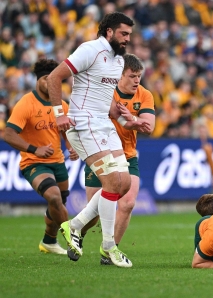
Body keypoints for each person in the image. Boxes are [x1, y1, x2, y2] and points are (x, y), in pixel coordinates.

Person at [46, 12, 149, 267]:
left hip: (104, 124)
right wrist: (59, 114)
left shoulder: (118, 62)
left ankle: (75, 225)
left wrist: (127, 118)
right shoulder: (90, 50)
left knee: (123, 183)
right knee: (112, 182)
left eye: (129, 35)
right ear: (109, 32)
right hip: (84, 124)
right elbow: (54, 77)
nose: (127, 39)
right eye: (123, 34)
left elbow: (104, 98)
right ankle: (108, 247)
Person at [82, 53, 155, 265]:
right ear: (120, 75)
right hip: (101, 154)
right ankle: (77, 232)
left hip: (128, 156)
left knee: (128, 203)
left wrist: (131, 118)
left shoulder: (145, 95)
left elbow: (149, 127)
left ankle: (109, 250)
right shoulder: (106, 93)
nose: (136, 80)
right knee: (93, 214)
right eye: (132, 76)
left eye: (139, 76)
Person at [4, 58, 79, 255]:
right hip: (34, 163)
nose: (52, 83)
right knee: (54, 198)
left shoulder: (61, 105)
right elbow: (8, 134)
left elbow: (65, 130)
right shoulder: (26, 103)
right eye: (48, 79)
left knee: (59, 203)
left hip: (58, 162)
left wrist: (71, 146)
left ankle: (49, 241)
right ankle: (73, 239)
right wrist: (33, 149)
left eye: (55, 80)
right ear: (39, 80)